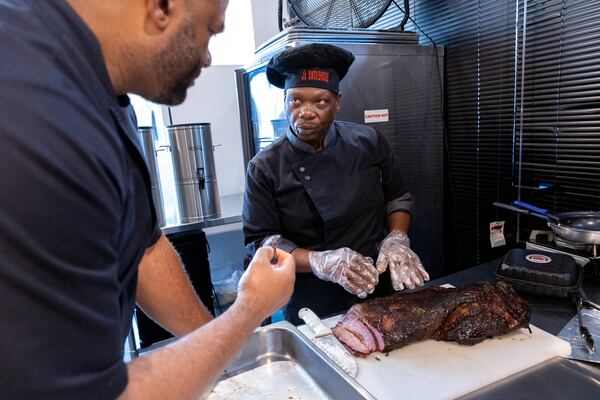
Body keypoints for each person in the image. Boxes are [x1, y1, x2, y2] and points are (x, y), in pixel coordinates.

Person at [0, 1, 295, 399]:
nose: (208, 57)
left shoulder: (101, 84)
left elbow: (143, 247)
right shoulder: (35, 115)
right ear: (162, 6)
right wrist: (248, 310)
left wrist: (217, 352)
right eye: (211, 29)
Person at [243, 43, 430, 325]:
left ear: (338, 102)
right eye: (295, 101)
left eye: (320, 101)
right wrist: (322, 262)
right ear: (285, 102)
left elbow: (398, 198)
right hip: (314, 301)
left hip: (375, 284)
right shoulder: (265, 166)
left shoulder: (368, 142)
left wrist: (397, 239)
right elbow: (263, 242)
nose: (305, 112)